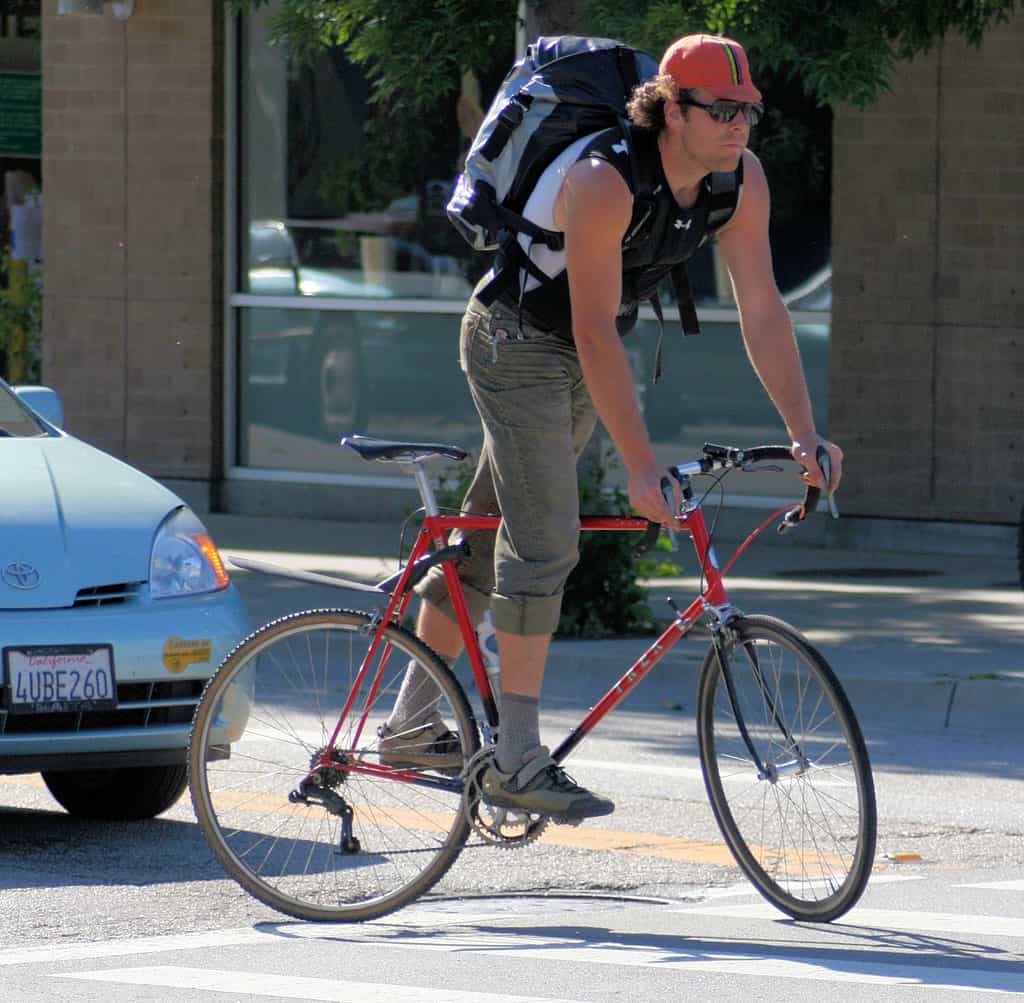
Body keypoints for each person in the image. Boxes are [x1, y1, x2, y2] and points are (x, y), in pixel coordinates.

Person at [379, 33, 842, 824]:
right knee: (547, 537)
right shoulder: (604, 178)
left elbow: (761, 309)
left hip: (578, 350)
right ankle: (519, 756)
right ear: (670, 109)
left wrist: (804, 432)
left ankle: (411, 726)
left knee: (492, 541)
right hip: (514, 338)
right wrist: (639, 463)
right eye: (721, 110)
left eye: (749, 111)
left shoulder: (739, 183)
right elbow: (592, 327)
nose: (739, 126)